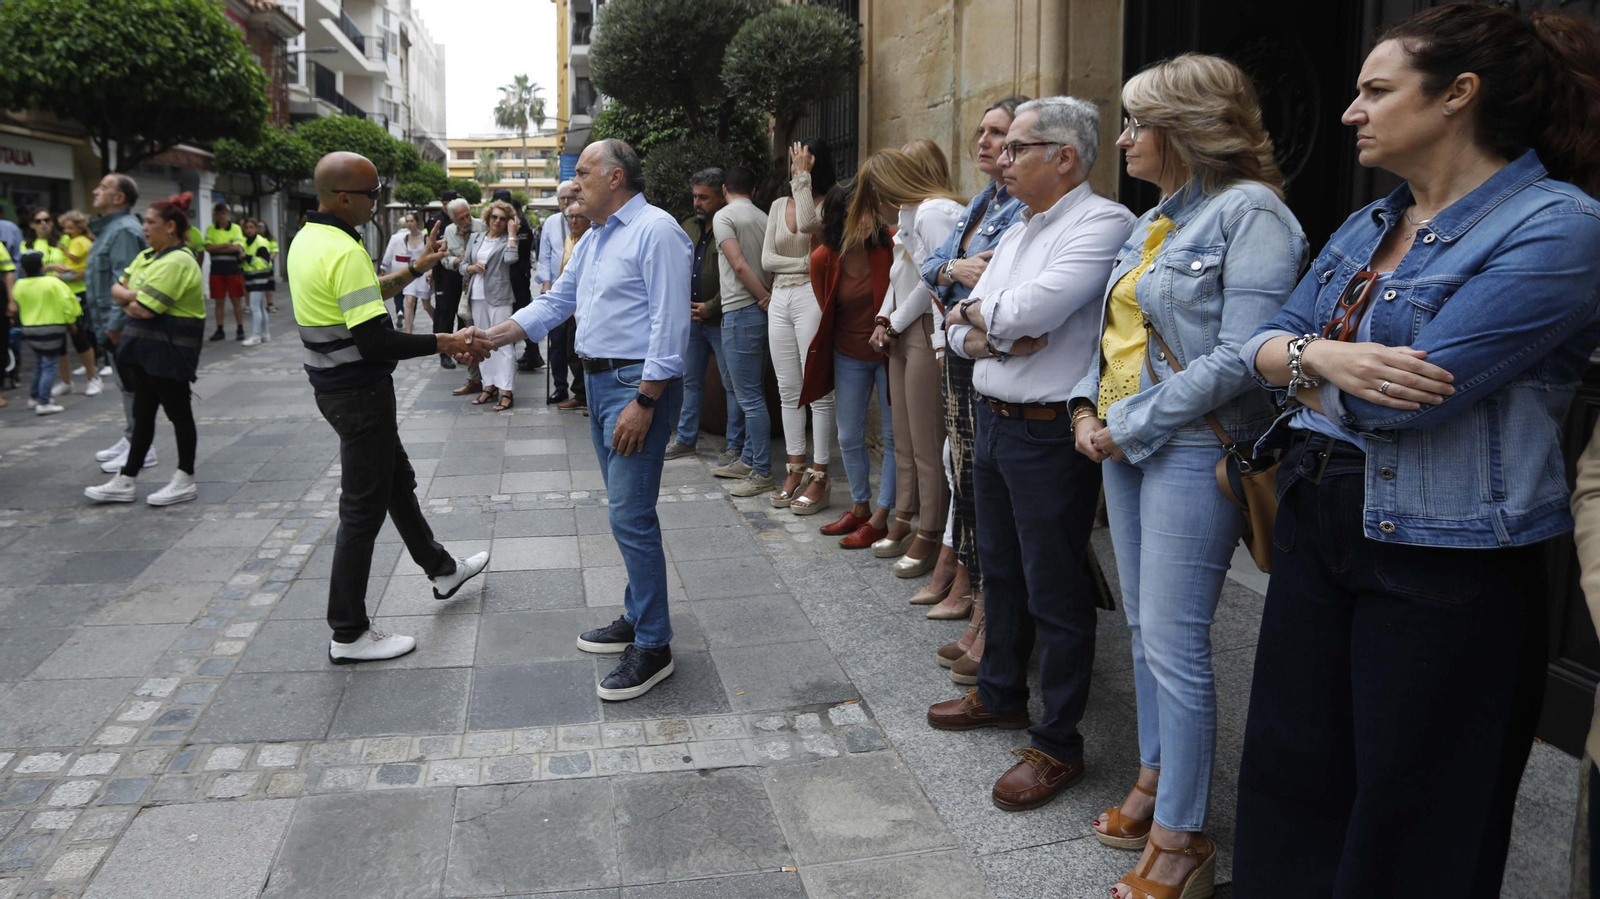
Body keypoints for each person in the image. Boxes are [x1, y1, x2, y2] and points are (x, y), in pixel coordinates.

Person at [1231, 7, 1600, 896]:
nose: (1350, 111)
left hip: (1448, 553)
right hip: (1317, 512)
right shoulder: (1370, 221)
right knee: (1291, 779)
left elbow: (1396, 403)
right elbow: (1259, 346)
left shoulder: (1560, 225)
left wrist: (1302, 362)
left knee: (1421, 817)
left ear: (1457, 95)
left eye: (1376, 89)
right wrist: (1323, 357)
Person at [1063, 54, 1307, 899]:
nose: (1123, 138)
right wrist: (1085, 409)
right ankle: (1156, 775)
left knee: (1174, 640)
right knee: (1144, 631)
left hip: (1192, 447)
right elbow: (1113, 335)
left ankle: (1182, 834)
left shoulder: (1253, 212)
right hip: (1125, 444)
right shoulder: (1155, 219)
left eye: (1137, 123)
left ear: (1189, 127)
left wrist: (1126, 424)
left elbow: (1244, 357)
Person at [925, 97, 1136, 814]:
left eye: (1017, 147)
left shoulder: (1104, 222)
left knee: (1055, 586)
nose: (1002, 159)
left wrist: (982, 320)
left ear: (1064, 158)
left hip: (1049, 431)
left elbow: (1029, 311)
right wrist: (984, 326)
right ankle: (1001, 692)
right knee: (1001, 570)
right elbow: (956, 327)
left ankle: (1058, 742)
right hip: (995, 418)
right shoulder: (1020, 226)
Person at [472, 138, 691, 701]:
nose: (574, 184)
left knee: (631, 516)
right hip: (599, 384)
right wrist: (492, 336)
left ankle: (655, 645)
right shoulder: (595, 237)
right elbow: (555, 303)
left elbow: (670, 326)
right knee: (624, 513)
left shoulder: (657, 231)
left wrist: (645, 401)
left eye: (585, 173)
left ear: (616, 178)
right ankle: (637, 617)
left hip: (634, 387)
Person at [289, 151, 491, 664]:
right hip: (358, 392)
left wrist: (417, 268)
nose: (378, 203)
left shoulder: (309, 239)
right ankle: (348, 633)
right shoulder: (343, 249)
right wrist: (445, 342)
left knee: (396, 483)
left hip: (337, 389)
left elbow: (363, 296)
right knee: (362, 511)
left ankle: (443, 570)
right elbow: (375, 340)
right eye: (372, 193)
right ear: (343, 198)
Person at [922, 95, 1031, 680]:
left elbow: (996, 291)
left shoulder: (1024, 208)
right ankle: (979, 602)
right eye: (984, 132)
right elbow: (935, 267)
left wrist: (957, 289)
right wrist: (954, 271)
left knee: (988, 490)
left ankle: (990, 611)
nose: (987, 143)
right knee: (966, 481)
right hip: (963, 356)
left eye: (1001, 134)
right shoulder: (981, 201)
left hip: (992, 363)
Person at [850, 145, 964, 584]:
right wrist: (885, 319)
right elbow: (901, 278)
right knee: (904, 438)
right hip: (904, 329)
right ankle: (906, 517)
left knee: (927, 442)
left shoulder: (933, 214)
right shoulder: (912, 214)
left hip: (923, 329)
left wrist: (894, 322)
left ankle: (931, 530)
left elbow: (930, 284)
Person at [83, 193, 207, 505]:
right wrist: (131, 296)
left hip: (170, 351)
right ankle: (127, 478)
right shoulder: (148, 256)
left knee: (179, 414)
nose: (145, 228)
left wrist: (128, 297)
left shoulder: (178, 260)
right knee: (143, 414)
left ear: (171, 227)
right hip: (144, 350)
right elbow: (117, 289)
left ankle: (185, 478)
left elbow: (145, 309)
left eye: (151, 222)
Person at [801, 180, 894, 529]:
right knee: (849, 436)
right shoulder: (823, 258)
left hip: (890, 352)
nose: (867, 220)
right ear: (840, 218)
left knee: (893, 436)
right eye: (857, 213)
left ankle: (883, 513)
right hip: (848, 354)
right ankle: (860, 507)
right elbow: (827, 306)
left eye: (869, 210)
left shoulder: (891, 245)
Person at [664, 168, 756, 495]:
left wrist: (711, 307)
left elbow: (738, 272)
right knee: (690, 380)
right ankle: (686, 438)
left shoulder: (729, 224)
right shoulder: (688, 226)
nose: (697, 203)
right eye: (695, 196)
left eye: (704, 197)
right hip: (690, 318)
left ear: (721, 194)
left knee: (733, 385)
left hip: (721, 317)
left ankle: (734, 447)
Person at [762, 139, 838, 512]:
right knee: (788, 387)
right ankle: (794, 469)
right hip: (780, 296)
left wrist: (803, 180)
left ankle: (820, 475)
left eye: (801, 161)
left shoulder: (831, 203)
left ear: (812, 165)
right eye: (794, 162)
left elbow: (810, 223)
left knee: (818, 389)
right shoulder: (778, 206)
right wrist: (805, 262)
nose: (794, 167)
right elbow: (767, 259)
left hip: (812, 295)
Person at [711, 163, 774, 490]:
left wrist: (763, 297)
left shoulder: (724, 216)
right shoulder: (765, 217)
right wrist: (768, 296)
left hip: (740, 311)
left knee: (749, 398)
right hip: (761, 314)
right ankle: (749, 458)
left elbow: (737, 264)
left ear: (724, 190)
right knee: (753, 392)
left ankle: (761, 471)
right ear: (754, 190)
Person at [84, 174, 152, 474]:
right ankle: (132, 437)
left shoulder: (123, 230)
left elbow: (125, 283)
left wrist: (114, 325)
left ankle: (142, 447)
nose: (95, 191)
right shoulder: (110, 229)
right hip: (108, 322)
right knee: (126, 386)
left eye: (103, 187)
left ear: (119, 198)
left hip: (119, 324)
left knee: (133, 386)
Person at [462, 199, 522, 412]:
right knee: (481, 342)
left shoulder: (509, 239)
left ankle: (506, 390)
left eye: (503, 219)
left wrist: (512, 234)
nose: (497, 221)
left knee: (503, 344)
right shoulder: (475, 238)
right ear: (488, 218)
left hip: (500, 296)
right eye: (494, 217)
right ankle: (489, 385)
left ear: (508, 222)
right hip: (476, 295)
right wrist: (471, 268)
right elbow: (462, 265)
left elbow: (511, 259)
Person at [9, 251, 77, 416]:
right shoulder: (53, 283)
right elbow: (68, 303)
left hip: (30, 328)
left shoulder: (19, 285)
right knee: (49, 364)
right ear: (42, 266)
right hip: (52, 326)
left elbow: (17, 303)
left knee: (40, 362)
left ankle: (34, 397)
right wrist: (71, 320)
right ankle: (44, 401)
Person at [49, 211, 99, 398]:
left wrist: (76, 271)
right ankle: (66, 381)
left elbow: (81, 264)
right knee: (59, 340)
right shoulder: (63, 240)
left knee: (79, 335)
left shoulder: (74, 242)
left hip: (76, 292)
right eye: (65, 227)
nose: (67, 231)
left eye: (46, 220)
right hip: (54, 293)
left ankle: (93, 378)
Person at [494, 189, 543, 374]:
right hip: (505, 278)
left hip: (518, 278)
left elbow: (518, 253)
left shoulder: (519, 224)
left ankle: (532, 353)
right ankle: (530, 353)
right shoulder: (504, 222)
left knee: (521, 316)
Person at [442, 198, 486, 394]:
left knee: (488, 333)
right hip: (464, 288)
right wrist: (455, 261)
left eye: (468, 215)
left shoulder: (483, 226)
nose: (466, 221)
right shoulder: (449, 231)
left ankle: (494, 382)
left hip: (485, 288)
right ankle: (475, 379)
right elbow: (444, 258)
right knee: (468, 334)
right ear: (453, 219)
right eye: (461, 218)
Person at [540, 180, 576, 402]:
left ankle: (581, 391)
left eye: (570, 198)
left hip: (578, 293)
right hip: (555, 290)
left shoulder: (584, 218)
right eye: (563, 198)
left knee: (576, 343)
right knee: (557, 343)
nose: (566, 202)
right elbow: (544, 256)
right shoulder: (551, 222)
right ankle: (560, 386)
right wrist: (545, 282)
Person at [554, 199, 591, 414]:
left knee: (584, 353)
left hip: (586, 306)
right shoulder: (570, 239)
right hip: (569, 304)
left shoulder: (591, 240)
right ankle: (581, 394)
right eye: (571, 217)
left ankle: (586, 396)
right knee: (570, 351)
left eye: (579, 216)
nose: (574, 221)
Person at [381, 213, 433, 334]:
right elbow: (392, 251)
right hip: (412, 272)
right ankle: (408, 333)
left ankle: (439, 324)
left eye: (411, 221)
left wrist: (430, 271)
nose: (409, 224)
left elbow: (431, 255)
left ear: (417, 222)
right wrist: (385, 266)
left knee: (426, 306)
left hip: (424, 273)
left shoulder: (425, 237)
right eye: (407, 221)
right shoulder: (405, 238)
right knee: (409, 302)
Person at [203, 203, 247, 341]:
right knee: (219, 300)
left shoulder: (235, 228)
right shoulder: (210, 229)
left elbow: (237, 247)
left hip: (232, 269)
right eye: (218, 213)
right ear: (215, 215)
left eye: (223, 213)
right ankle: (220, 329)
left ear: (227, 213)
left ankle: (240, 328)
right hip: (216, 269)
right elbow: (208, 248)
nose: (221, 216)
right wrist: (225, 245)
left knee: (236, 299)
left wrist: (218, 248)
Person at [238, 219, 275, 347]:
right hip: (252, 276)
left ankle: (256, 336)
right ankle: (265, 334)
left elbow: (265, 262)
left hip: (260, 277)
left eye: (251, 227)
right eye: (246, 227)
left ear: (256, 229)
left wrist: (247, 258)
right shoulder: (245, 241)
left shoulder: (260, 242)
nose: (249, 230)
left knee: (254, 307)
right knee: (259, 306)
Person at [259, 221, 280, 313]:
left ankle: (269, 303)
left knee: (269, 285)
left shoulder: (271, 240)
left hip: (268, 266)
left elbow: (274, 251)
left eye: (261, 226)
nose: (260, 228)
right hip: (255, 267)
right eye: (258, 226)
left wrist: (267, 260)